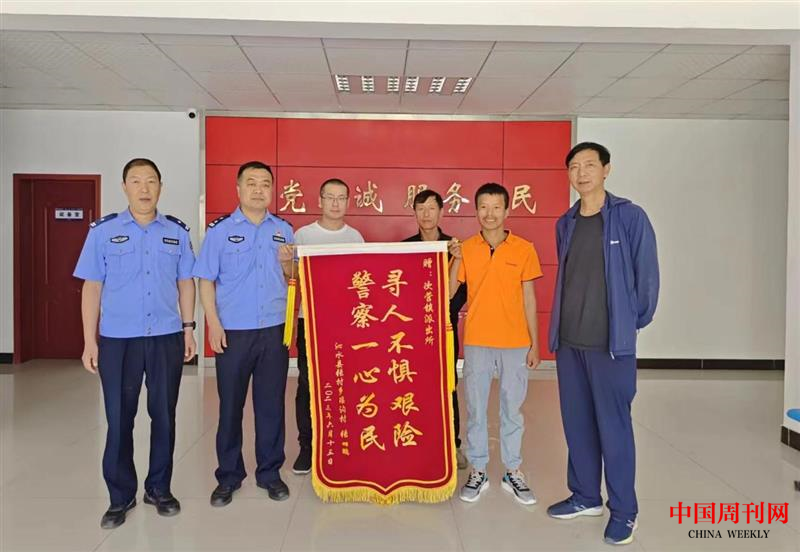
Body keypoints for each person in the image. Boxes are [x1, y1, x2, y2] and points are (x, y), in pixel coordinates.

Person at [546, 142, 659, 546]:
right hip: (570, 344)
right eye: (574, 167)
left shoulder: (629, 217)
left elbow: (647, 280)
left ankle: (624, 511)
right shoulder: (566, 222)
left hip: (610, 347)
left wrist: (628, 323)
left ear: (606, 169)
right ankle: (585, 496)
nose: (581, 173)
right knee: (577, 425)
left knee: (614, 428)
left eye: (589, 165)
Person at [74, 158, 197, 529]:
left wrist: (188, 328)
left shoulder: (176, 232)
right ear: (124, 187)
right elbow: (92, 287)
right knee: (119, 418)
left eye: (151, 181)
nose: (144, 188)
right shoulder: (103, 232)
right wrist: (89, 340)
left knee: (164, 416)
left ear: (161, 187)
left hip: (165, 337)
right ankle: (120, 496)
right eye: (136, 181)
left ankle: (159, 488)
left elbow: (185, 282)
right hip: (118, 340)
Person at [193, 161, 295, 506]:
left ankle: (270, 473)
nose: (258, 189)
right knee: (230, 407)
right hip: (233, 332)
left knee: (271, 406)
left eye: (265, 183)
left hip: (273, 330)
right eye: (251, 183)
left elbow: (293, 279)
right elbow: (206, 279)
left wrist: (287, 264)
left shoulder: (283, 230)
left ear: (272, 190)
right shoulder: (220, 231)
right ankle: (229, 476)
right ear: (238, 189)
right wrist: (213, 322)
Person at [448, 182, 543, 506]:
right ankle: (478, 470)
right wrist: (455, 260)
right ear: (476, 210)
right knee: (476, 409)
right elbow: (449, 292)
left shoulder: (524, 249)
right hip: (477, 341)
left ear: (507, 210)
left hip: (515, 342)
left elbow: (529, 299)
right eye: (483, 207)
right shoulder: (467, 248)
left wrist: (535, 344)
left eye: (496, 207)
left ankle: (512, 471)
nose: (489, 214)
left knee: (511, 410)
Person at [291, 178, 364, 474]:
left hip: (346, 325)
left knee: (345, 383)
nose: (335, 203)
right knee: (308, 384)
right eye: (330, 197)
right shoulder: (303, 235)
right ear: (319, 200)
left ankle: (341, 442)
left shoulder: (355, 238)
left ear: (348, 202)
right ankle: (307, 446)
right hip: (310, 321)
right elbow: (292, 277)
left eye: (341, 198)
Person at [402, 189, 468, 470]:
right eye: (420, 208)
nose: (426, 214)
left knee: (447, 385)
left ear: (441, 212)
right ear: (414, 213)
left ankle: (453, 444)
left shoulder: (454, 248)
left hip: (444, 329)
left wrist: (440, 309)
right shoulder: (404, 248)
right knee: (412, 386)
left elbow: (460, 293)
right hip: (411, 333)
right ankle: (416, 441)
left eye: (431, 208)